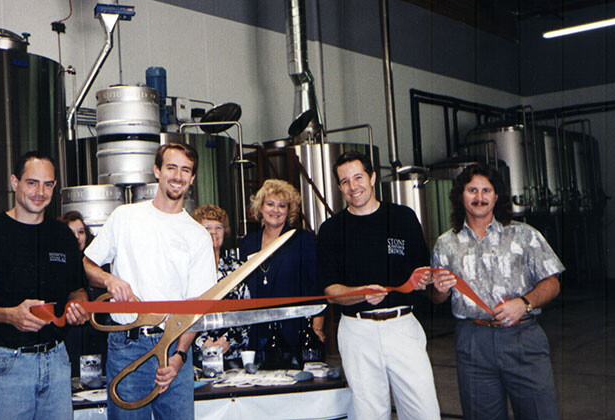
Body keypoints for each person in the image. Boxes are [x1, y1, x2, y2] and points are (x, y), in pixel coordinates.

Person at [83, 142, 217, 420]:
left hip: (174, 348)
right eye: (171, 167)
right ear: (157, 171)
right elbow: (85, 263)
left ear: (192, 178)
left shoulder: (198, 235)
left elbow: (198, 308)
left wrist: (179, 357)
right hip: (126, 347)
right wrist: (109, 280)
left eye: (185, 170)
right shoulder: (126, 217)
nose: (178, 176)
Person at [0, 152, 89, 419]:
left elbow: (77, 288)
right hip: (8, 364)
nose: (40, 192)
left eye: (48, 184)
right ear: (14, 182)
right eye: (32, 183)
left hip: (57, 362)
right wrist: (8, 316)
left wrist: (79, 304)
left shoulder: (62, 236)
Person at [430, 164, 564, 420]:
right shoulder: (445, 243)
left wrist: (523, 303)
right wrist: (438, 290)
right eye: (472, 190)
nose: (479, 197)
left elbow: (553, 283)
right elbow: (437, 298)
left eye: (486, 190)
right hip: (472, 341)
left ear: (496, 196)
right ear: (461, 195)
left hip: (523, 337)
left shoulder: (524, 235)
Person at [317, 151, 440, 420]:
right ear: (339, 187)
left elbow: (423, 275)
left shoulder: (403, 218)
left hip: (402, 326)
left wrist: (430, 280)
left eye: (358, 177)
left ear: (372, 177)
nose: (353, 186)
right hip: (357, 330)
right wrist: (358, 293)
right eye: (345, 181)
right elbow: (330, 292)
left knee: (424, 411)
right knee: (368, 413)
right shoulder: (331, 230)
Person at [239, 179, 322, 364]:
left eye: (281, 206)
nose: (275, 210)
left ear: (288, 211)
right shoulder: (247, 243)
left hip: (294, 331)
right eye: (270, 204)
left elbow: (314, 284)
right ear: (260, 208)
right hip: (257, 332)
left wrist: (317, 325)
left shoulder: (302, 240)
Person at [190, 204, 249, 370]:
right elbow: (182, 313)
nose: (213, 232)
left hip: (233, 355)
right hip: (197, 357)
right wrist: (202, 342)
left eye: (218, 227)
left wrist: (227, 340)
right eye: (206, 227)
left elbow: (246, 312)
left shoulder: (238, 268)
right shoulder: (188, 270)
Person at [58, 211, 106, 379]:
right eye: (71, 233)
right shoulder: (58, 266)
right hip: (71, 337)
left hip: (98, 336)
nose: (77, 237)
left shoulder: (99, 266)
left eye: (81, 232)